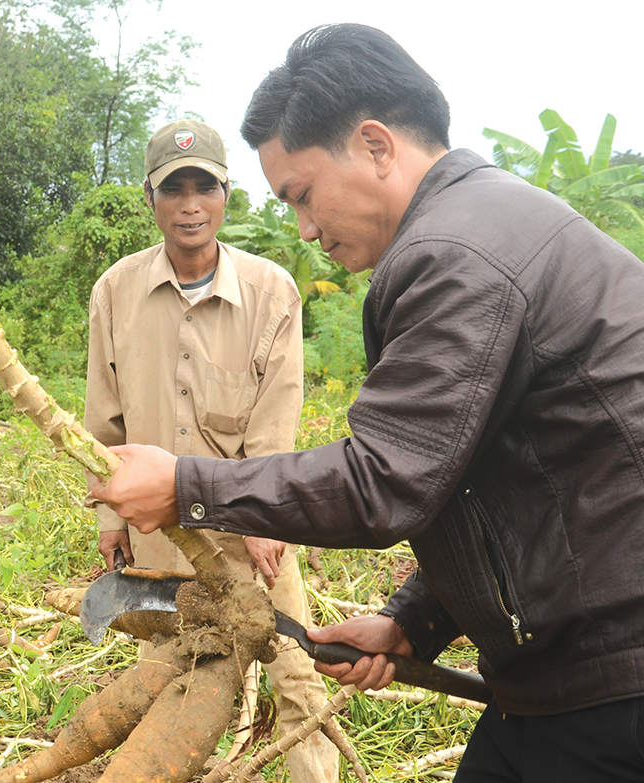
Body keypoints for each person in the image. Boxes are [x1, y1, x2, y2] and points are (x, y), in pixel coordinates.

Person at [91, 23, 644, 780]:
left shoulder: (456, 256)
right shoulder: (483, 226)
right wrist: (415, 618)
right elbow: (482, 474)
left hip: (613, 682)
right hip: (568, 674)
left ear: (378, 146)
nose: (306, 228)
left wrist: (186, 487)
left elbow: (385, 480)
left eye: (304, 195)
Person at [84, 119, 338, 781]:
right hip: (161, 536)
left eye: (204, 186)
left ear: (226, 195)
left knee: (298, 679)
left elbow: (275, 420)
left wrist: (264, 520)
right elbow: (104, 422)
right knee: (164, 678)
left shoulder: (270, 291)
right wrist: (111, 520)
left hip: (250, 532)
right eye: (174, 189)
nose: (189, 203)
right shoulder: (115, 292)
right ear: (151, 199)